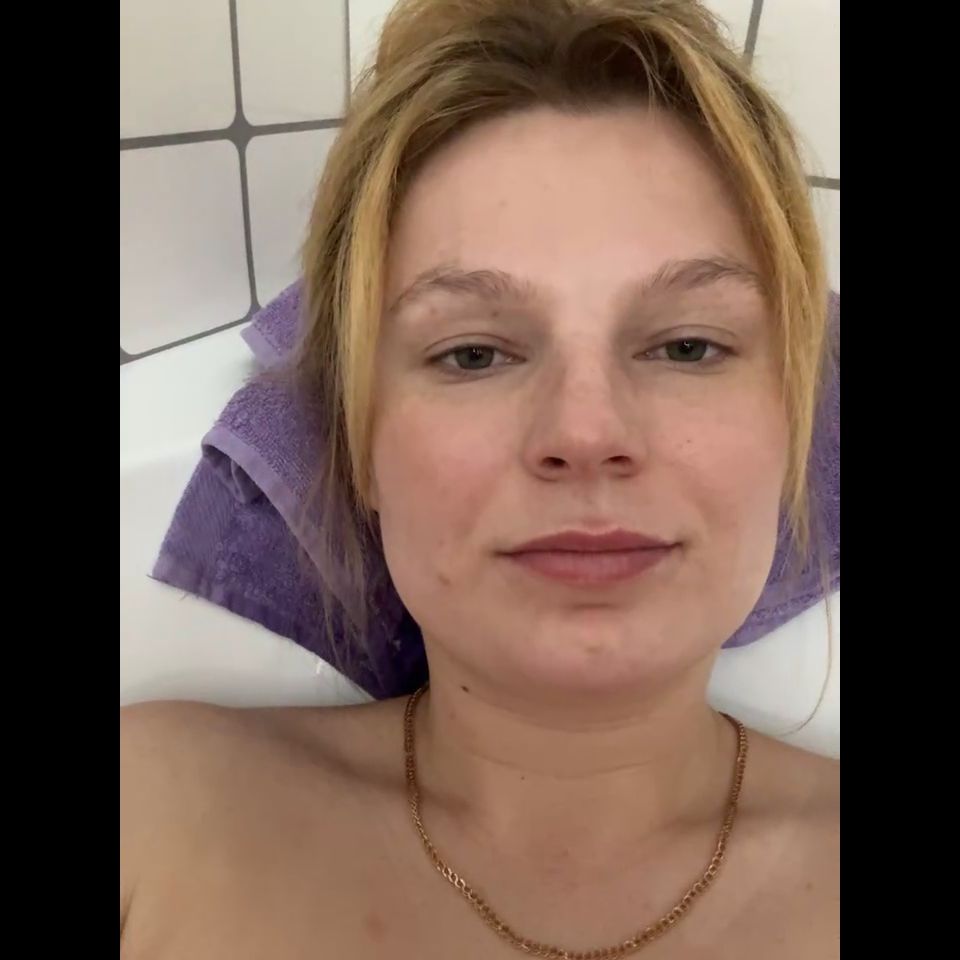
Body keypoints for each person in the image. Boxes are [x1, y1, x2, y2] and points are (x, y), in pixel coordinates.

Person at [120, 1, 839, 957]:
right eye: (473, 354)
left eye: (687, 345)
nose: (586, 433)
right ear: (361, 444)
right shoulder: (149, 817)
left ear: (794, 424)